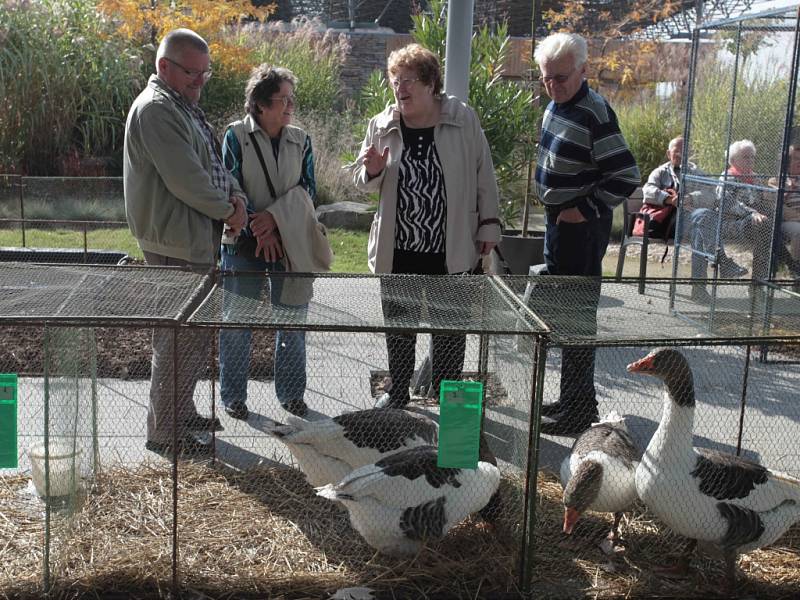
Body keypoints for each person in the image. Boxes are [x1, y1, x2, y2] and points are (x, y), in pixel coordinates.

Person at [352, 43, 501, 409]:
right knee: (399, 329)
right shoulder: (382, 124)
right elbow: (362, 180)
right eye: (395, 81)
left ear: (431, 83)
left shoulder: (462, 118)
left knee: (450, 331)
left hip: (450, 248)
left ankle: (449, 401)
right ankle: (398, 391)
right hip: (398, 247)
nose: (400, 88)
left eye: (409, 80)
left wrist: (489, 225)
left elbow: (485, 174)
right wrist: (372, 169)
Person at [124, 29, 247, 457]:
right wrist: (230, 210)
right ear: (164, 67)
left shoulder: (182, 105)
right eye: (191, 73)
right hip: (175, 243)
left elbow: (212, 163)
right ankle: (163, 432)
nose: (199, 82)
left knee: (192, 338)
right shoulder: (157, 110)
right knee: (176, 338)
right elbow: (186, 180)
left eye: (204, 74)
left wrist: (237, 197)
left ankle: (181, 411)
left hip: (193, 237)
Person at [533, 32, 640, 435]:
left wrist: (585, 208)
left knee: (577, 319)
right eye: (546, 79)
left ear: (582, 71)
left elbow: (626, 175)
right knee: (563, 318)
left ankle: (580, 412)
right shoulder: (556, 106)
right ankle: (571, 400)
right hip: (558, 222)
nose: (553, 86)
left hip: (580, 229)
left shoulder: (595, 111)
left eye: (561, 78)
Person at [219, 64, 331, 420]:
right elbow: (229, 186)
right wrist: (259, 229)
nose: (290, 106)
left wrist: (275, 223)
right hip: (242, 245)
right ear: (261, 104)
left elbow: (308, 190)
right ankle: (233, 398)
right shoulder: (235, 137)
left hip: (290, 244)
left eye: (290, 99)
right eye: (283, 100)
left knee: (293, 323)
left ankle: (292, 397)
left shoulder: (302, 139)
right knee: (237, 323)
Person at [689, 139, 770, 300]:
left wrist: (768, 203)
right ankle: (700, 286)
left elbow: (762, 202)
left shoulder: (756, 178)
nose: (751, 160)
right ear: (733, 161)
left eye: (752, 157)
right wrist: (753, 213)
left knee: (767, 228)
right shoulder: (728, 177)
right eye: (746, 157)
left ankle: (758, 285)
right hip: (729, 223)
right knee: (701, 223)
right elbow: (727, 203)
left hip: (751, 223)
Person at [768, 144, 800, 273]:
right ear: (787, 162)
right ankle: (796, 268)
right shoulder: (776, 181)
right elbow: (775, 205)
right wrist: (788, 190)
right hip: (786, 222)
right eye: (796, 159)